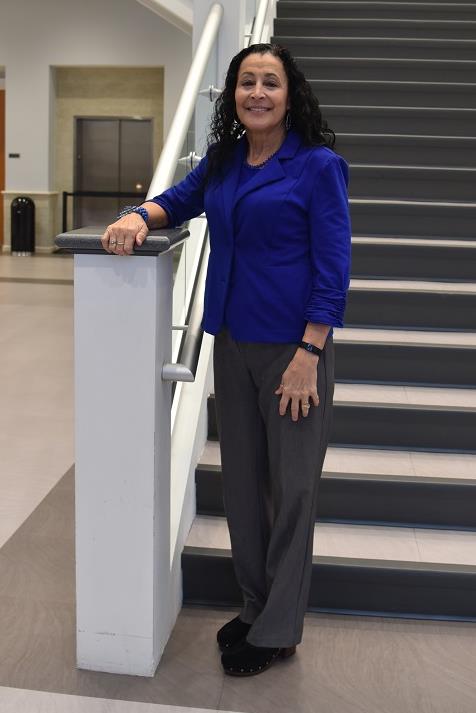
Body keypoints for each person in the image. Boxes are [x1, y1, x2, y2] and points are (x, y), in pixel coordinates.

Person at [102, 43, 351, 677]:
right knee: (242, 487)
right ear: (234, 95)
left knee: (292, 491)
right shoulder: (224, 162)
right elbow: (175, 202)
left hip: (295, 351)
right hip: (233, 345)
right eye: (247, 82)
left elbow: (333, 268)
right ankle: (255, 605)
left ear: (289, 95)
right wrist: (135, 217)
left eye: (270, 82)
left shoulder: (318, 167)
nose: (257, 93)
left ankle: (278, 630)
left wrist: (310, 351)